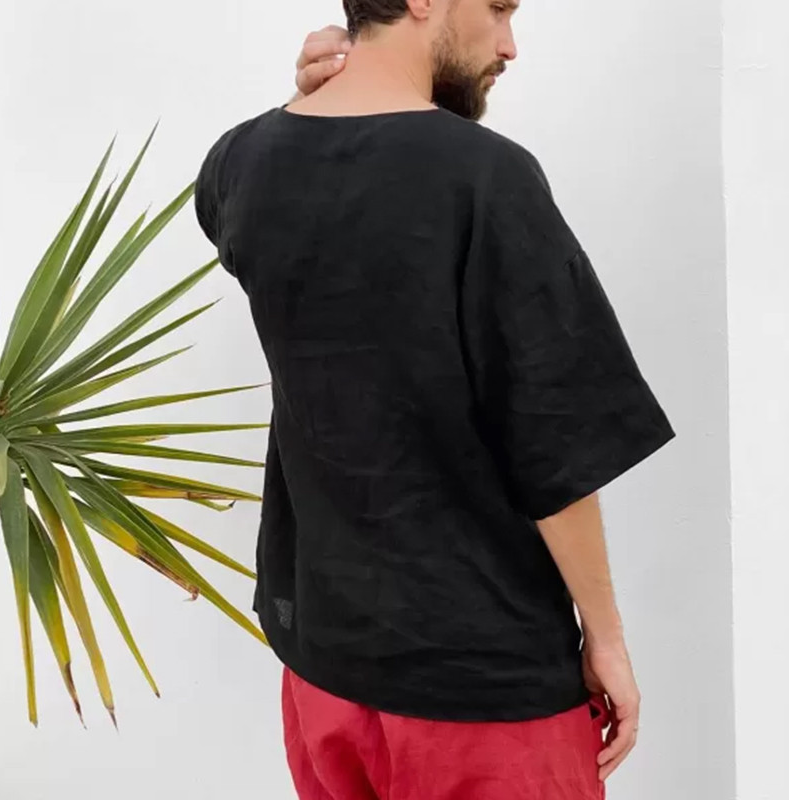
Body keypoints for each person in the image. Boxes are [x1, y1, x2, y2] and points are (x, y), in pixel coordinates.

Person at [194, 2, 677, 798]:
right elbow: (555, 446)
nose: (510, 44)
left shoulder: (240, 159)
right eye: (497, 8)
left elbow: (253, 211)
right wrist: (607, 639)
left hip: (322, 673)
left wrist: (322, 88)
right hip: (480, 692)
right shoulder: (486, 176)